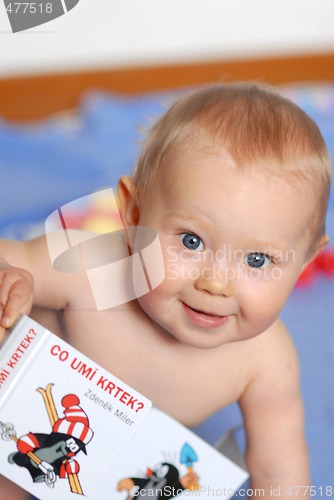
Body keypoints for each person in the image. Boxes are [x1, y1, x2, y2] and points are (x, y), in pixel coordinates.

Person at [0, 82, 331, 499]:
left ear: (303, 261)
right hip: (20, 428)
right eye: (191, 241)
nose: (215, 283)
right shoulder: (94, 267)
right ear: (134, 214)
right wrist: (9, 277)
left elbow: (279, 473)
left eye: (257, 260)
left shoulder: (267, 360)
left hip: (114, 473)